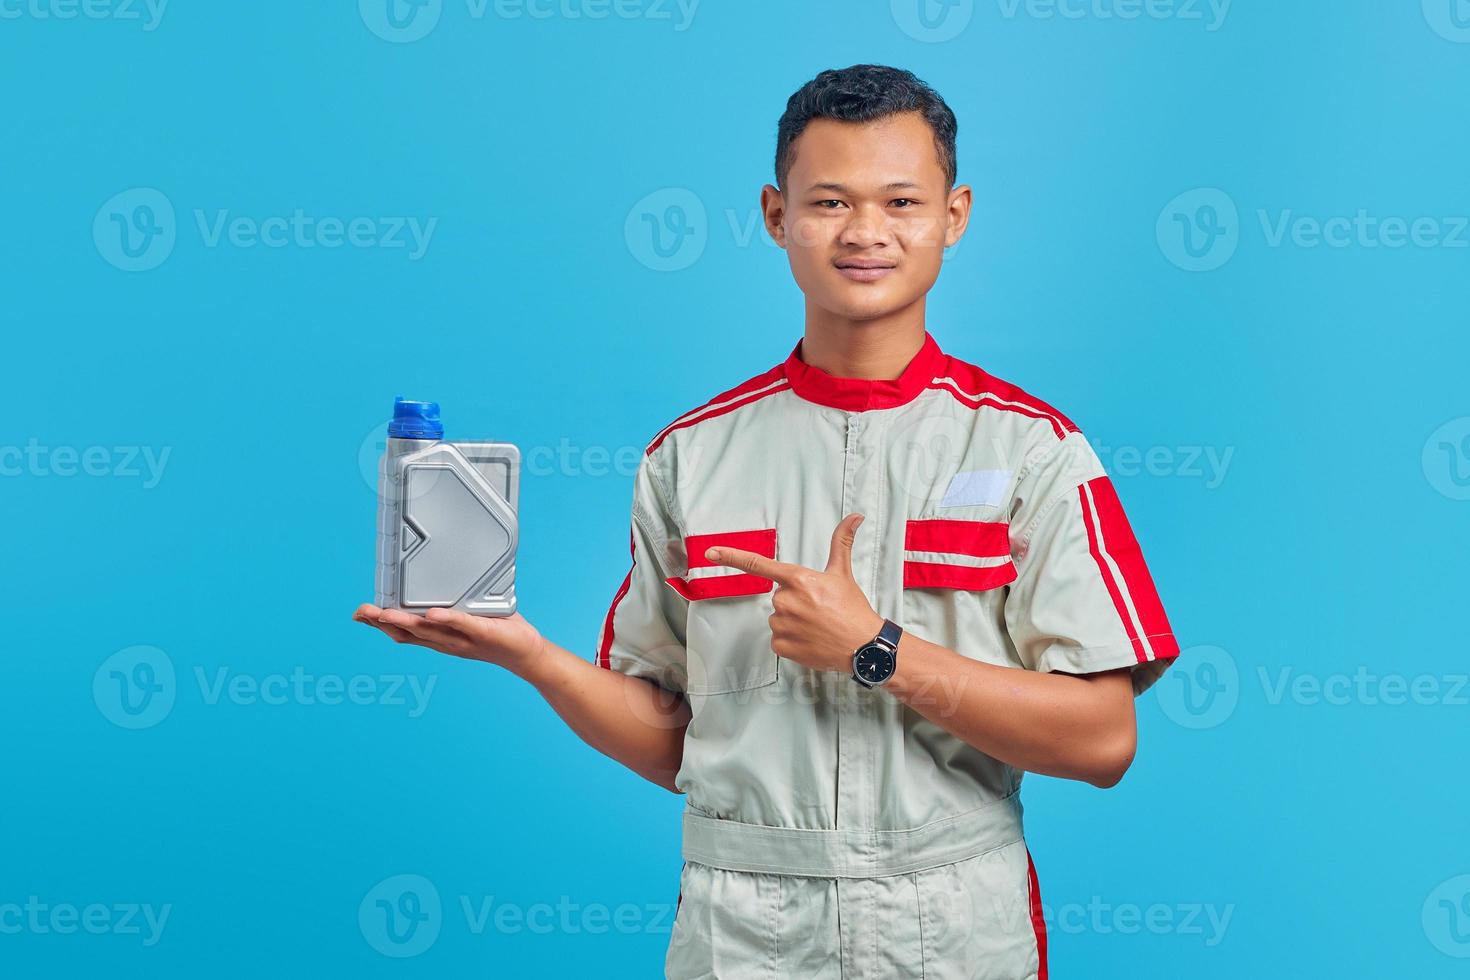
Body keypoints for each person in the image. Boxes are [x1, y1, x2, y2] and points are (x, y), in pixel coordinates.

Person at [354, 63, 1182, 980]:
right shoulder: (691, 457)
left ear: (954, 216)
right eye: (829, 201)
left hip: (953, 931)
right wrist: (526, 653)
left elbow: (1104, 741)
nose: (866, 232)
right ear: (776, 215)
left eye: (901, 200)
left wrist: (875, 647)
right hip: (743, 936)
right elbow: (678, 740)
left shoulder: (1036, 452)